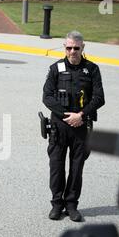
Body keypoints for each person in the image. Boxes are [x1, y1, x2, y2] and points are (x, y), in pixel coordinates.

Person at [42, 31, 105, 222]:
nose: (72, 52)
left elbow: (99, 98)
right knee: (57, 167)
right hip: (59, 127)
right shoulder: (55, 68)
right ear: (64, 47)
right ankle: (56, 204)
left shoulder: (92, 69)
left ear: (82, 48)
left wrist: (81, 115)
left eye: (76, 48)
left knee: (77, 168)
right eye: (69, 48)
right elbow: (47, 97)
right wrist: (66, 116)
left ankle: (71, 205)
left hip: (81, 126)